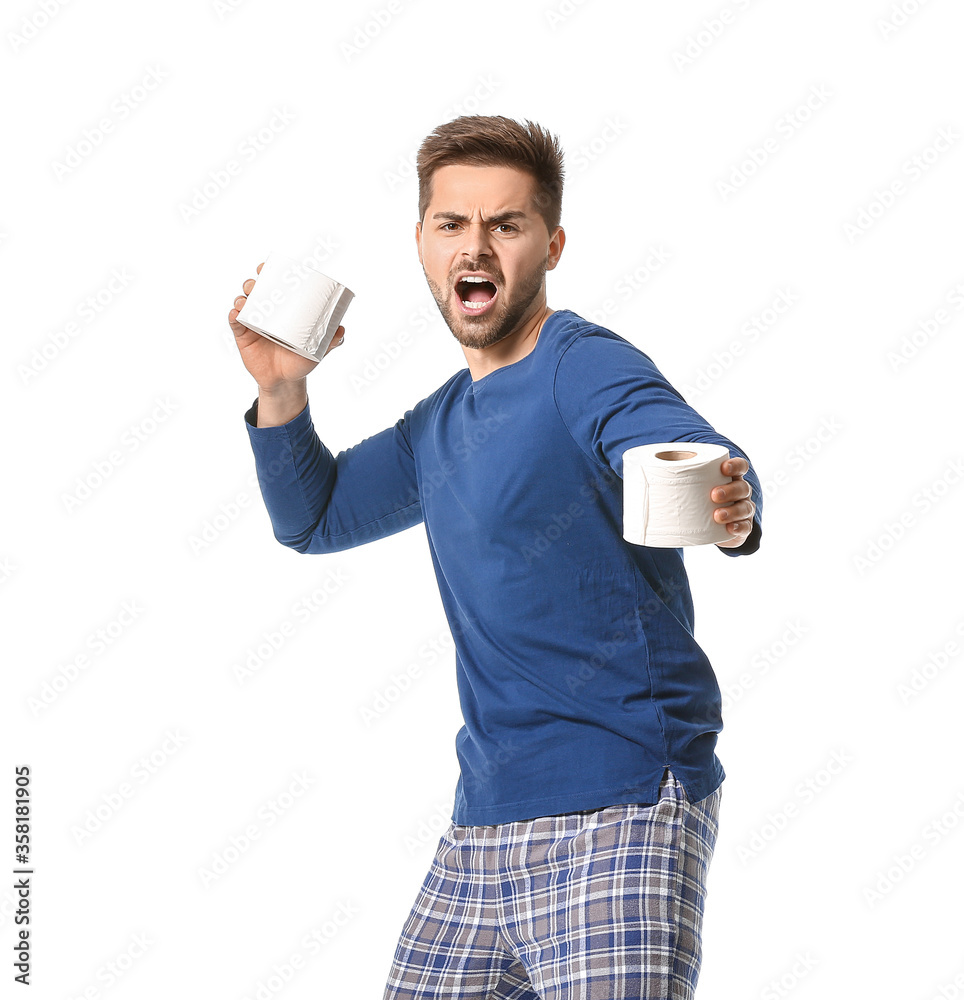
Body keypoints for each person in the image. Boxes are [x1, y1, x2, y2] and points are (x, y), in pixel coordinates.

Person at [228, 115, 762, 1000]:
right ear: (423, 243)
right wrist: (281, 389)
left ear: (549, 244)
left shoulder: (582, 367)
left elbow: (689, 454)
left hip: (619, 808)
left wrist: (730, 510)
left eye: (506, 225)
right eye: (453, 225)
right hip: (480, 826)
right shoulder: (441, 422)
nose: (476, 246)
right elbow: (313, 517)